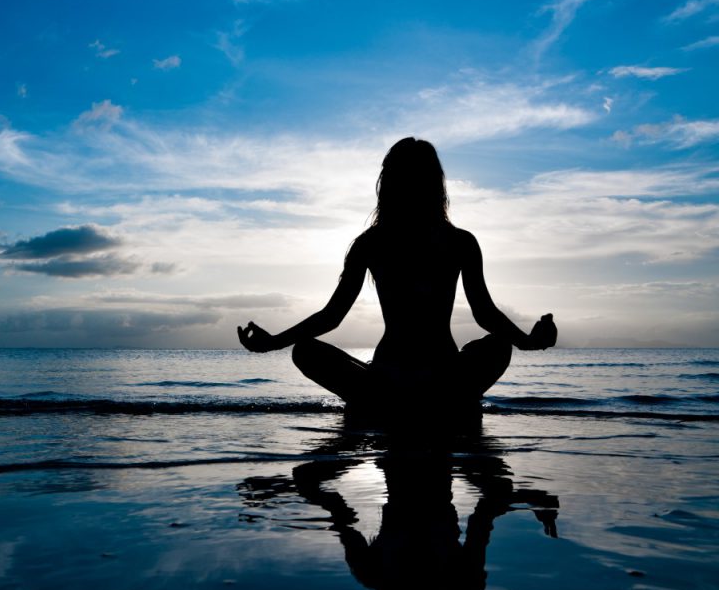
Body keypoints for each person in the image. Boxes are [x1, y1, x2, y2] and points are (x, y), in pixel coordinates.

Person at [237, 137, 556, 411]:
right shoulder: (458, 242)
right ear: (437, 185)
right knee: (499, 345)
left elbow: (332, 316)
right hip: (440, 377)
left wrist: (275, 342)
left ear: (387, 185)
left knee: (304, 350)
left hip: (387, 379)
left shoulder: (372, 243)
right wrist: (527, 342)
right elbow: (485, 314)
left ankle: (383, 400)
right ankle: (442, 401)